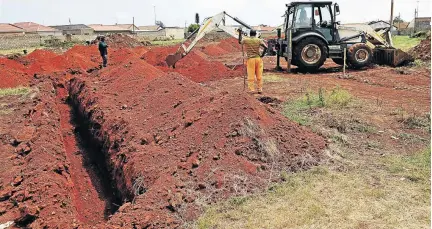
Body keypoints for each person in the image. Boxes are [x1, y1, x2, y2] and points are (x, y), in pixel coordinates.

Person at [241, 30, 268, 94]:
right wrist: (262, 55)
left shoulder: (246, 40)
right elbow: (266, 47)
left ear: (249, 34)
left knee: (251, 75)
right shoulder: (259, 40)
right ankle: (260, 89)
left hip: (250, 60)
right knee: (259, 75)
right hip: (258, 59)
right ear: (256, 34)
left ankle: (251, 89)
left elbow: (240, 42)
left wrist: (240, 34)